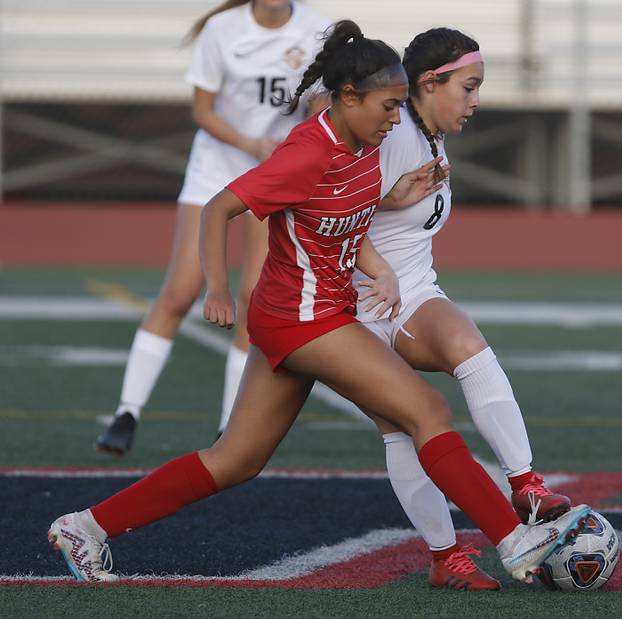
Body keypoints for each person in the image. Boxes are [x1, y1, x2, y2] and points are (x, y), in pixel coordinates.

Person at [48, 20, 591, 585]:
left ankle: (85, 527)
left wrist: (382, 267)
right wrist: (215, 286)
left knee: (235, 461)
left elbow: (343, 228)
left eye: (401, 105)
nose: (394, 117)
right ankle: (515, 539)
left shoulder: (366, 146)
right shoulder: (309, 151)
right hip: (303, 319)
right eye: (387, 105)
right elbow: (218, 209)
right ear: (348, 97)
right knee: (424, 411)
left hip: (305, 316)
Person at [354, 28, 572, 590]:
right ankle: (446, 555)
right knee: (402, 432)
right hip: (355, 308)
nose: (476, 101)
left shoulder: (427, 134)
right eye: (468, 87)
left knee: (465, 347)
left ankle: (525, 484)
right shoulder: (394, 131)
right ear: (430, 82)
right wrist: (386, 202)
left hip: (410, 294)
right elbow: (328, 210)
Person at [96, 0, 331, 454]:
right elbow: (204, 111)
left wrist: (293, 148)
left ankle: (229, 424)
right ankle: (127, 412)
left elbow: (321, 107)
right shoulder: (223, 29)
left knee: (253, 296)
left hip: (274, 171)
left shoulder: (320, 29)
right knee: (181, 289)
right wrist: (250, 142)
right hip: (216, 166)